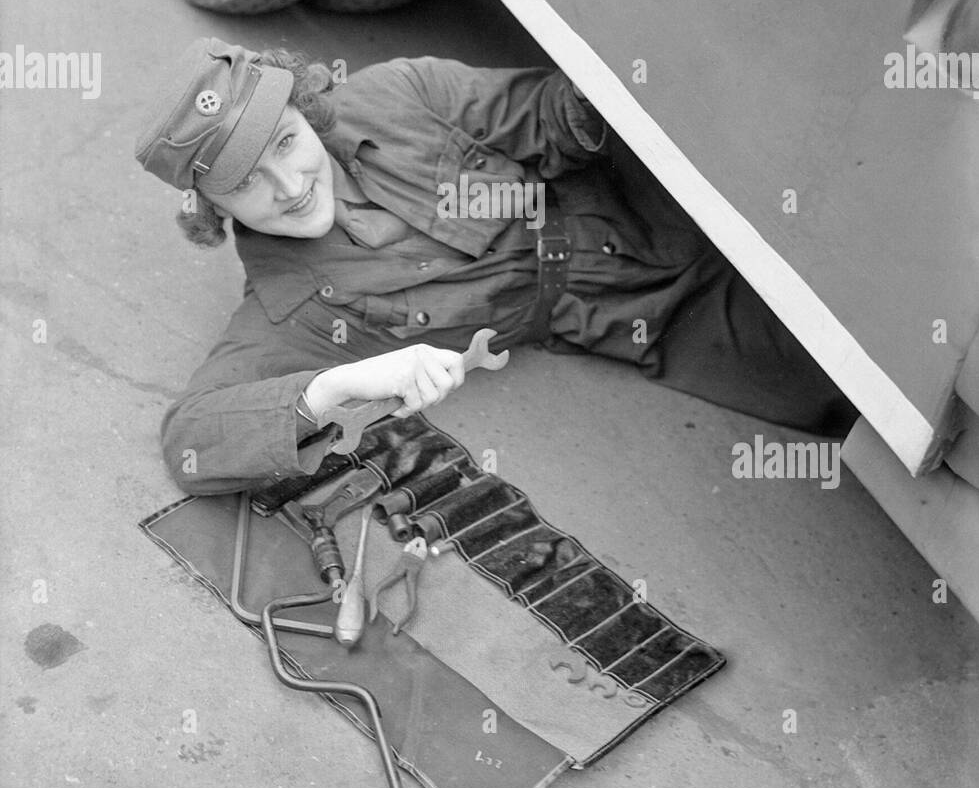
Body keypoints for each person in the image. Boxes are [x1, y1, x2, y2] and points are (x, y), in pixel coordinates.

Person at [135, 38, 856, 495]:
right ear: (211, 207)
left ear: (304, 111)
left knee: (850, 218)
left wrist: (618, 84)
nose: (289, 186)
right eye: (245, 183)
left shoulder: (398, 94)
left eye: (286, 143)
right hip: (643, 318)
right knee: (854, 386)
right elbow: (190, 441)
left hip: (652, 190)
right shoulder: (293, 312)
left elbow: (543, 114)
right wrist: (344, 384)